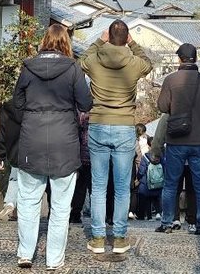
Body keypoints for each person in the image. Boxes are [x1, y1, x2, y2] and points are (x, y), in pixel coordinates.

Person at [12, 25, 93, 269]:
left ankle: (25, 253)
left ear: (44, 40)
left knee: (27, 200)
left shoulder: (28, 67)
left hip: (32, 139)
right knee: (60, 206)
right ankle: (54, 259)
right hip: (64, 142)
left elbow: (17, 102)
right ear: (66, 43)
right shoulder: (72, 69)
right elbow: (86, 102)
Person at [79, 20, 153, 255]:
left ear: (109, 36)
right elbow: (148, 64)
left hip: (99, 123)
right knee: (122, 188)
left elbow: (82, 60)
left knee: (99, 187)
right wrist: (132, 44)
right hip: (124, 126)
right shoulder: (133, 62)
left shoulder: (95, 59)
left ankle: (98, 238)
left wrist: (100, 41)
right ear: (127, 37)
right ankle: (119, 238)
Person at [155, 43, 200, 236]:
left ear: (179, 59)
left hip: (176, 140)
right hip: (199, 140)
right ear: (196, 58)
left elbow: (163, 107)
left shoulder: (171, 80)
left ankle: (166, 222)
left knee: (171, 183)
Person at [0, 98, 23, 221]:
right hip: (33, 151)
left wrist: (0, 155)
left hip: (14, 151)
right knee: (29, 184)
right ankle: (19, 210)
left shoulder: (7, 107)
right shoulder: (35, 106)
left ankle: (10, 203)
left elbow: (1, 133)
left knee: (14, 178)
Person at [135, 136, 162, 219]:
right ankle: (158, 212)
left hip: (146, 182)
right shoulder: (160, 156)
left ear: (148, 145)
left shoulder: (145, 157)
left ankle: (145, 215)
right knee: (157, 197)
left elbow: (141, 170)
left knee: (144, 198)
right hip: (158, 181)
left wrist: (138, 178)